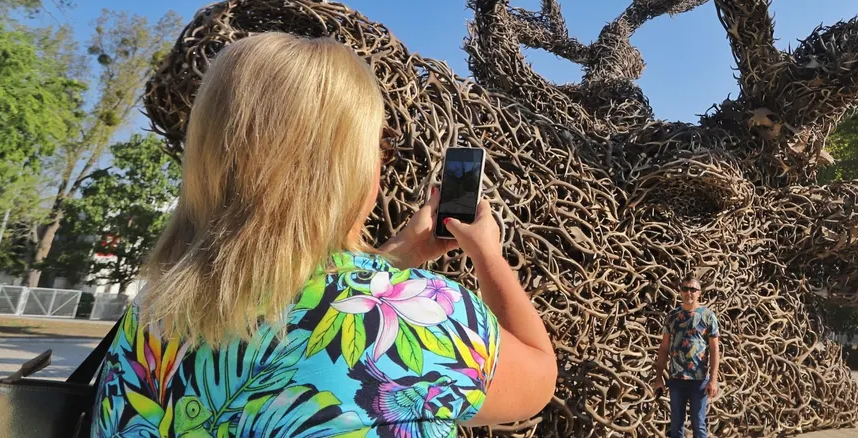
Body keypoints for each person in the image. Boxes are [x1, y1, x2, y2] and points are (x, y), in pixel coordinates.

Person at [92, 33, 558, 437]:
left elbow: (301, 297)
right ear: (348, 166)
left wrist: (397, 256)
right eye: (379, 145)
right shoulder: (430, 319)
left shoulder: (149, 316)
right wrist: (488, 256)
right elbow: (537, 377)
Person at [651, 275, 721, 438]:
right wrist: (659, 377)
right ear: (680, 292)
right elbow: (664, 347)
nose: (689, 292)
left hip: (699, 380)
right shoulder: (672, 316)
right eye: (685, 289)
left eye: (693, 289)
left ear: (699, 293)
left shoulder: (708, 316)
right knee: (676, 425)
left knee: (699, 425)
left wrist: (713, 379)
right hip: (676, 380)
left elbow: (714, 349)